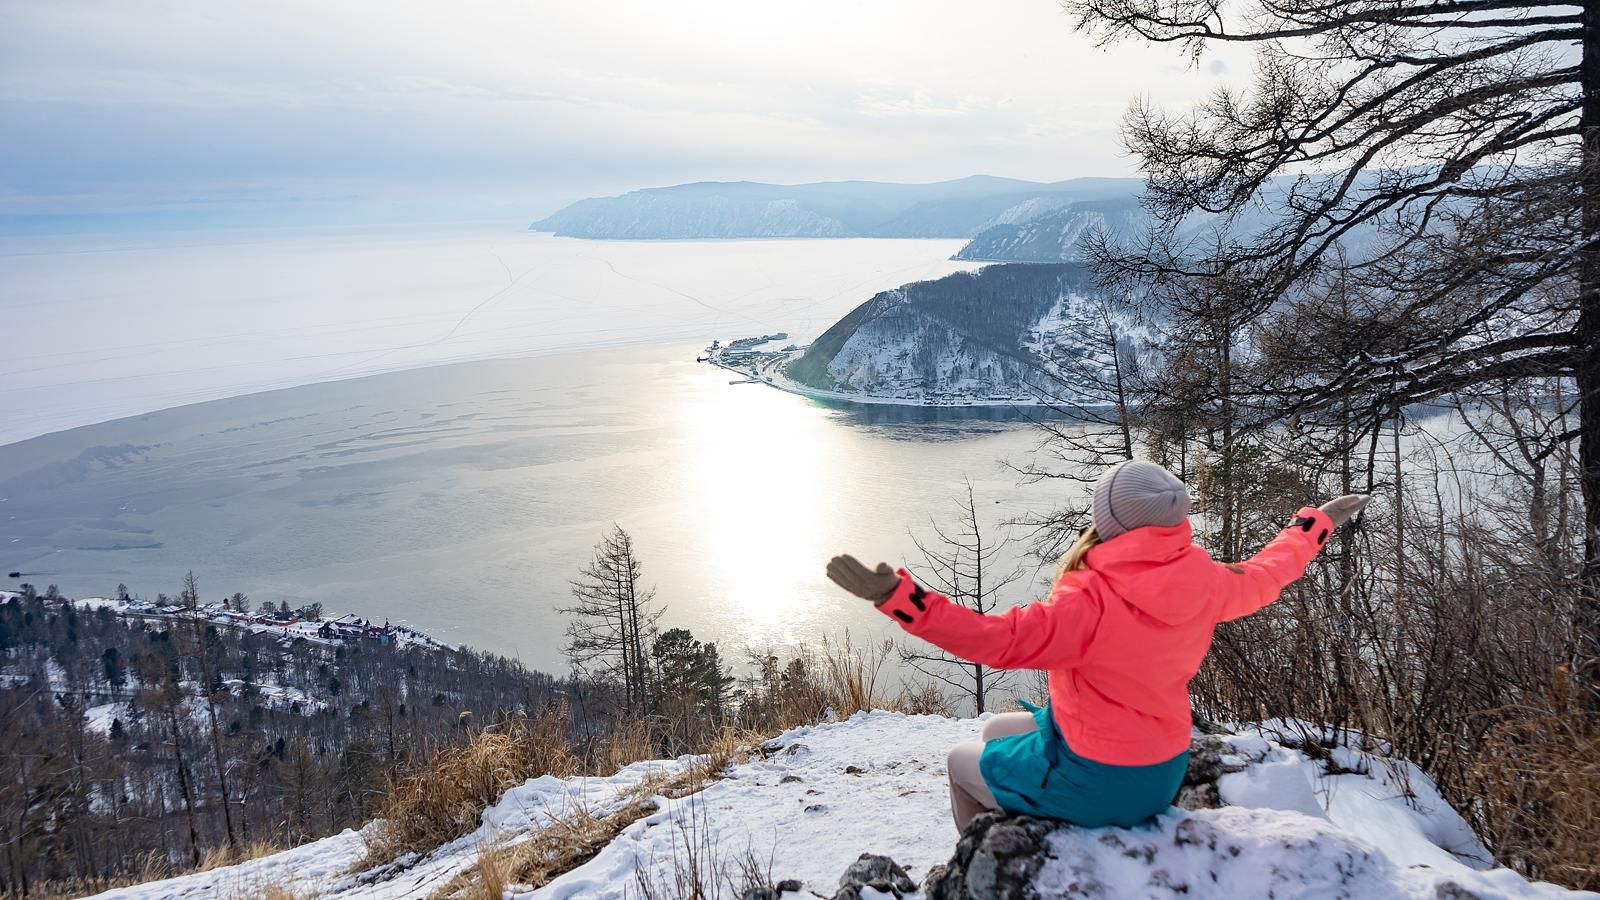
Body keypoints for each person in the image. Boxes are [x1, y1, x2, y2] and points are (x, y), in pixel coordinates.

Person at [826, 459, 1369, 832]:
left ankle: (991, 863)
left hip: (1104, 780)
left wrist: (903, 599)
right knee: (997, 730)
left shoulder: (1091, 600)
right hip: (1162, 767)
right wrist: (1314, 525)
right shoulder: (1203, 578)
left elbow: (998, 641)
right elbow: (1265, 573)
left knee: (959, 762)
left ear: (1108, 523)